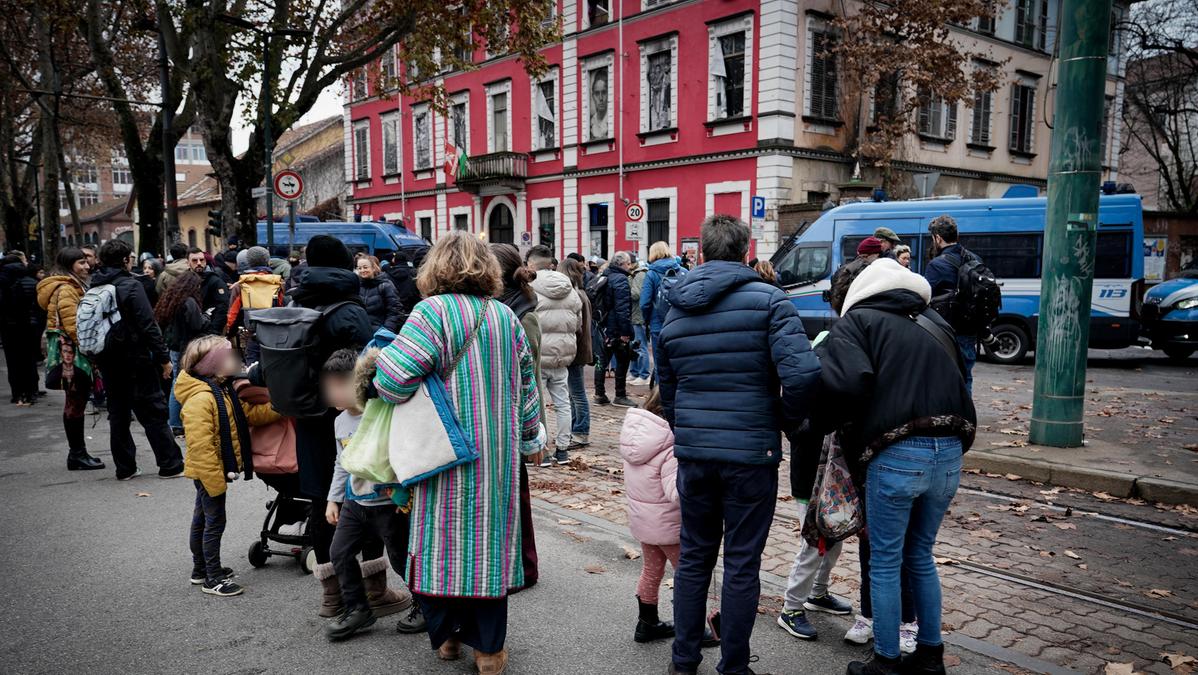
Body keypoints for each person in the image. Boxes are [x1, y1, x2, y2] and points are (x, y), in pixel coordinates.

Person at [373, 231, 543, 674]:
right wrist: (530, 438)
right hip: (497, 458)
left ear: (435, 268)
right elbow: (528, 386)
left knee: (439, 546)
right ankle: (489, 651)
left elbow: (391, 382)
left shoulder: (430, 313)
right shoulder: (504, 316)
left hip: (441, 455)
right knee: (486, 550)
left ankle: (448, 637)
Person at [658, 214, 821, 675]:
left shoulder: (676, 308)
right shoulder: (770, 301)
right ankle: (733, 665)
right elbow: (805, 375)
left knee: (694, 558)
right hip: (751, 454)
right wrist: (783, 420)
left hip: (696, 454)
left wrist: (684, 426)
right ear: (746, 251)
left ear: (703, 253)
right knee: (742, 564)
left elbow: (666, 383)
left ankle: (683, 660)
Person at [813, 258, 976, 675]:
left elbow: (845, 388)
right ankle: (930, 655)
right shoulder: (933, 320)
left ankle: (885, 661)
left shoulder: (858, 322)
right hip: (951, 449)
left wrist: (816, 422)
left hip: (897, 450)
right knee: (920, 554)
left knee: (884, 561)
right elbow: (963, 378)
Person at [283, 234, 374, 616]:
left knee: (323, 501)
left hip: (306, 415)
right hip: (348, 415)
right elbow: (370, 364)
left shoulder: (294, 300)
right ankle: (375, 588)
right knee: (366, 498)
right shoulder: (348, 307)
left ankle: (331, 595)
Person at [321, 349, 417, 641]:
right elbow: (342, 462)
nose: (334, 392)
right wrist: (333, 498)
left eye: (341, 384)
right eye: (330, 385)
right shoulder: (339, 423)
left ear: (359, 382)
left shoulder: (380, 414)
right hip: (355, 502)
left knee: (401, 558)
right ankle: (358, 608)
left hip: (387, 503)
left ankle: (426, 604)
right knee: (339, 552)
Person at [177, 335, 281, 597]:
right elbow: (201, 448)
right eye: (229, 357)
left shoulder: (221, 390)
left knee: (203, 519)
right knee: (213, 523)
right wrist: (215, 482)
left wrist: (281, 407)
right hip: (210, 473)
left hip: (215, 470)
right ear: (214, 366)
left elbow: (248, 415)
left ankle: (200, 570)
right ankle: (212, 578)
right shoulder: (202, 399)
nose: (236, 360)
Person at [88, 239, 185, 480]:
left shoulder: (95, 285)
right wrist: (164, 358)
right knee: (152, 409)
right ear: (124, 260)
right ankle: (170, 463)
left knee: (118, 412)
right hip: (134, 357)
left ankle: (125, 468)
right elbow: (148, 325)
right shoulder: (131, 285)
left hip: (107, 358)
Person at [491, 242, 545, 591]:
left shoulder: (523, 314)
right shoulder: (500, 308)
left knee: (517, 497)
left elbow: (531, 377)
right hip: (499, 417)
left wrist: (534, 430)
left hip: (514, 419)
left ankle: (525, 567)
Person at [620, 388, 680, 644]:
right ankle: (693, 629)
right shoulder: (670, 445)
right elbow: (676, 492)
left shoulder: (637, 438)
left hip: (644, 523)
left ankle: (646, 623)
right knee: (687, 576)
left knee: (651, 571)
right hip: (670, 527)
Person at [37, 247, 104, 469]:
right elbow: (73, 325)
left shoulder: (68, 285)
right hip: (71, 353)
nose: (87, 266)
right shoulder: (66, 288)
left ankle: (78, 453)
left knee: (75, 400)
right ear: (69, 266)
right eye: (81, 263)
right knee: (75, 401)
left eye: (86, 262)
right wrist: (89, 348)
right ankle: (77, 454)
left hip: (69, 351)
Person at [527, 245, 583, 466]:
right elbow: (577, 322)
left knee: (538, 404)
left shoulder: (530, 288)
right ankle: (563, 449)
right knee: (562, 403)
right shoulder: (569, 288)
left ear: (532, 264)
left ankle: (543, 451)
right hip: (563, 354)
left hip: (540, 355)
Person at [924, 214, 981, 392]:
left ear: (938, 238)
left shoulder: (937, 265)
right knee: (966, 378)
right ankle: (966, 417)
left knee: (942, 379)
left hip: (945, 331)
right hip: (970, 329)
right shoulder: (974, 259)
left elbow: (925, 295)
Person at [155, 271, 212, 434]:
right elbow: (196, 325)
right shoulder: (189, 302)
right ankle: (175, 423)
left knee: (176, 382)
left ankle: (174, 422)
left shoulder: (173, 299)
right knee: (178, 383)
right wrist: (207, 317)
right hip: (184, 345)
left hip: (174, 345)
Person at [225, 246, 285, 362]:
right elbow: (283, 309)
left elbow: (232, 315)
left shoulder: (240, 285)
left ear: (249, 262)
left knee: (252, 371)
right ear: (268, 261)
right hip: (275, 337)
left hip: (252, 336)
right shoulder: (279, 283)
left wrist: (227, 334)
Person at [595, 251, 637, 408]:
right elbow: (622, 309)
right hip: (616, 328)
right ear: (622, 264)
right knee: (623, 359)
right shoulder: (621, 280)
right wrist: (626, 332)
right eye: (628, 263)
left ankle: (599, 394)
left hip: (603, 325)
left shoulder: (605, 275)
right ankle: (620, 395)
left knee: (603, 360)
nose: (630, 266)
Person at [640, 242, 685, 385]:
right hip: (681, 323)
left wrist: (647, 320)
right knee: (679, 362)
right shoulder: (684, 271)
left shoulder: (651, 274)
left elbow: (644, 302)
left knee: (661, 364)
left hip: (658, 324)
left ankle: (660, 400)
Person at [561, 257, 593, 450]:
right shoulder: (580, 294)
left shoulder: (576, 296)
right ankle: (577, 428)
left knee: (577, 393)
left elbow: (578, 327)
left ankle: (581, 431)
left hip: (576, 349)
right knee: (574, 393)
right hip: (578, 348)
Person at [0, 254, 40, 406]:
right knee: (29, 360)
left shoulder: (3, 282)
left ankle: (17, 393)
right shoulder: (32, 282)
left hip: (9, 328)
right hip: (30, 327)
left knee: (13, 361)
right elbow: (39, 307)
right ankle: (32, 391)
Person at [829, 237, 884, 315]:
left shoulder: (846, 269)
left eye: (865, 256)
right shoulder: (869, 269)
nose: (863, 259)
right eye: (861, 256)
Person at [186, 247, 230, 336]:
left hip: (209, 330)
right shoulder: (184, 281)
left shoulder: (215, 281)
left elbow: (223, 307)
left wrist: (214, 331)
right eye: (194, 260)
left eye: (201, 260)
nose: (199, 263)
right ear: (188, 263)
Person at [355, 254, 404, 332]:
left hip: (379, 333)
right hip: (361, 333)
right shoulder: (356, 286)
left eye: (365, 267)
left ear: (373, 268)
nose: (362, 270)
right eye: (359, 268)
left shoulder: (385, 285)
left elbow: (395, 311)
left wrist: (386, 330)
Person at [384, 247, 424, 322]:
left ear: (394, 260)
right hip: (412, 309)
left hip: (395, 311)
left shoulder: (387, 274)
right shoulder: (414, 273)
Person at [628, 259, 651, 385]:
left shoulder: (638, 275)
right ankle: (635, 372)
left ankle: (643, 375)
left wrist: (627, 287)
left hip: (638, 316)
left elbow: (636, 294)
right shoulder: (639, 274)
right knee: (635, 346)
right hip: (637, 315)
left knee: (640, 347)